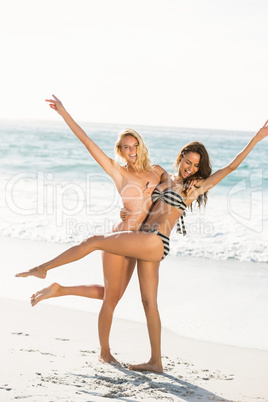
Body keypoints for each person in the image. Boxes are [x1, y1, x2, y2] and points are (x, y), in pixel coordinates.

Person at [16, 119, 268, 372]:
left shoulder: (194, 187)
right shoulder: (162, 176)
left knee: (93, 242)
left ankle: (42, 268)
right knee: (148, 303)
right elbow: (143, 202)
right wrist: (126, 213)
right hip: (146, 241)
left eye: (195, 165)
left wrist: (256, 138)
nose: (190, 168)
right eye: (187, 162)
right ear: (180, 158)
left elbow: (232, 167)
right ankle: (156, 362)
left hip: (155, 240)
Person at [28, 95, 166, 367]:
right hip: (119, 239)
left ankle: (59, 289)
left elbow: (175, 191)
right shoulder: (119, 173)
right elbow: (88, 143)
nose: (132, 150)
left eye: (135, 144)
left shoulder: (157, 172)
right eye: (126, 147)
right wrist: (64, 113)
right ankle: (104, 352)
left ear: (141, 145)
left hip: (143, 241)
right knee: (111, 300)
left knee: (109, 293)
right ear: (120, 150)